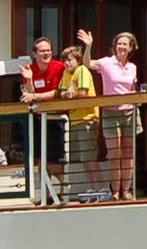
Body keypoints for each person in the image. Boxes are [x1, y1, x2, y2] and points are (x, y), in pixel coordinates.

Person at [79, 28, 140, 200]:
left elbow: (132, 89)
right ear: (115, 46)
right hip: (110, 112)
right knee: (114, 153)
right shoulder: (107, 62)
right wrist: (88, 46)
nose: (121, 47)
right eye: (119, 43)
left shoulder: (133, 67)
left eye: (125, 44)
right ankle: (115, 190)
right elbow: (87, 64)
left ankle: (126, 191)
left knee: (128, 154)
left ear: (130, 48)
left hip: (129, 112)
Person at [20, 36, 67, 202]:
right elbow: (28, 95)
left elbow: (58, 93)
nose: (46, 53)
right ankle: (45, 196)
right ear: (35, 54)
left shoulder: (60, 67)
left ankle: (62, 193)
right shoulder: (29, 69)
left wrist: (35, 96)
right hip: (38, 120)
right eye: (42, 51)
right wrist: (29, 79)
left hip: (56, 119)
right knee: (41, 159)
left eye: (48, 50)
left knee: (55, 161)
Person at [59, 50, 102, 201]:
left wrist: (71, 94)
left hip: (87, 118)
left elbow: (82, 93)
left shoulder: (82, 70)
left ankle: (101, 188)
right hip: (74, 120)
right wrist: (68, 94)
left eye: (70, 60)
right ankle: (91, 187)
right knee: (84, 159)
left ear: (77, 60)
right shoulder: (66, 73)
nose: (67, 63)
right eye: (65, 60)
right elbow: (62, 92)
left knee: (90, 157)